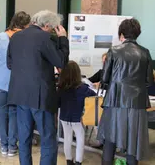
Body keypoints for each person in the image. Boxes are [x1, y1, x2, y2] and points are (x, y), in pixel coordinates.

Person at [7, 10, 69, 165]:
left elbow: (9, 64)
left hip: (20, 95)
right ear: (47, 25)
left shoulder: (15, 37)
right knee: (47, 138)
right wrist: (63, 39)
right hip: (41, 97)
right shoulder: (45, 37)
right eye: (52, 27)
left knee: (24, 138)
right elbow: (61, 62)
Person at [97, 18, 153, 165]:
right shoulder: (145, 53)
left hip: (115, 100)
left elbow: (105, 78)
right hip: (137, 103)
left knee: (110, 138)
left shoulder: (113, 51)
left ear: (121, 34)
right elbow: (149, 81)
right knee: (133, 142)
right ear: (137, 34)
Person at [0, 11, 31, 155]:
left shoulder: (1, 37)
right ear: (25, 25)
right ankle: (12, 146)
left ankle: (3, 145)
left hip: (0, 81)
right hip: (18, 82)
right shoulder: (26, 39)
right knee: (14, 113)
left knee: (2, 112)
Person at [58, 61, 96, 165]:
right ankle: (78, 162)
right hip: (77, 118)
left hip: (64, 117)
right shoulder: (82, 88)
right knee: (80, 137)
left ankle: (68, 161)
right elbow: (93, 94)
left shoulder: (61, 88)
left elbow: (58, 103)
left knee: (67, 138)